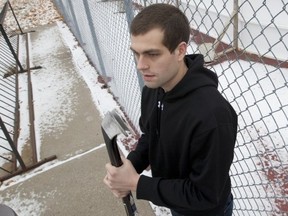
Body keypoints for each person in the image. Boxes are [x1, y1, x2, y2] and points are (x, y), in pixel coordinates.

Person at [103, 3, 237, 216]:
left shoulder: (212, 116)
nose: (141, 65)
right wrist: (132, 164)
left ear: (180, 50)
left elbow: (205, 194)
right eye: (136, 54)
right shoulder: (154, 87)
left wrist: (138, 184)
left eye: (152, 54)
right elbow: (152, 134)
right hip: (175, 200)